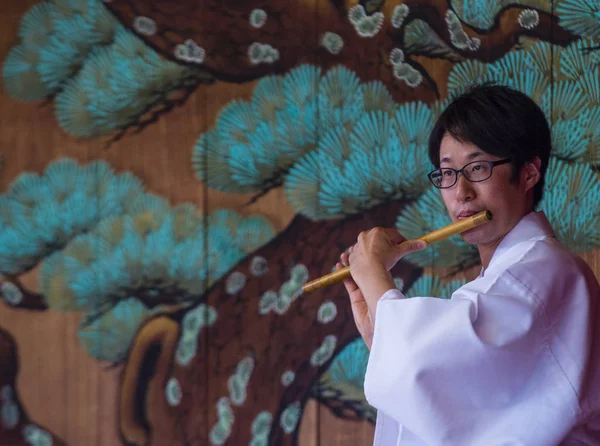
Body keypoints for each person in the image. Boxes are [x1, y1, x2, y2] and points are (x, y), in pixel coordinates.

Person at [337, 83, 600, 445]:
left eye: (477, 167)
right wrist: (380, 332)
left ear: (528, 173)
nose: (460, 191)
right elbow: (463, 395)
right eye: (447, 174)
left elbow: (426, 366)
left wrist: (375, 280)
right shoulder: (511, 276)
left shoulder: (547, 272)